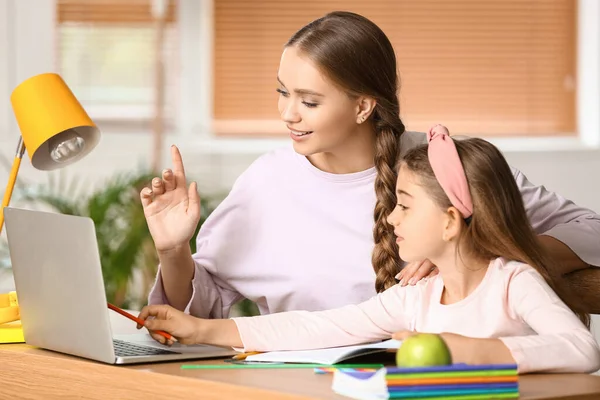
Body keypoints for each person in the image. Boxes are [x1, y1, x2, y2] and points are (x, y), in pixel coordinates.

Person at [141, 11, 600, 319]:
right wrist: (171, 251)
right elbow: (196, 313)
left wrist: (479, 253)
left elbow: (589, 229)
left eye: (309, 101)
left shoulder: (447, 164)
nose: (287, 113)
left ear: (363, 106)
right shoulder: (267, 181)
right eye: (283, 92)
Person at [138, 126, 600, 374]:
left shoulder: (514, 282)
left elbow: (581, 350)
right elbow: (316, 326)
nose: (390, 219)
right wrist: (202, 330)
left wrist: (465, 350)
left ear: (449, 220)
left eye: (403, 206)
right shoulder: (414, 296)